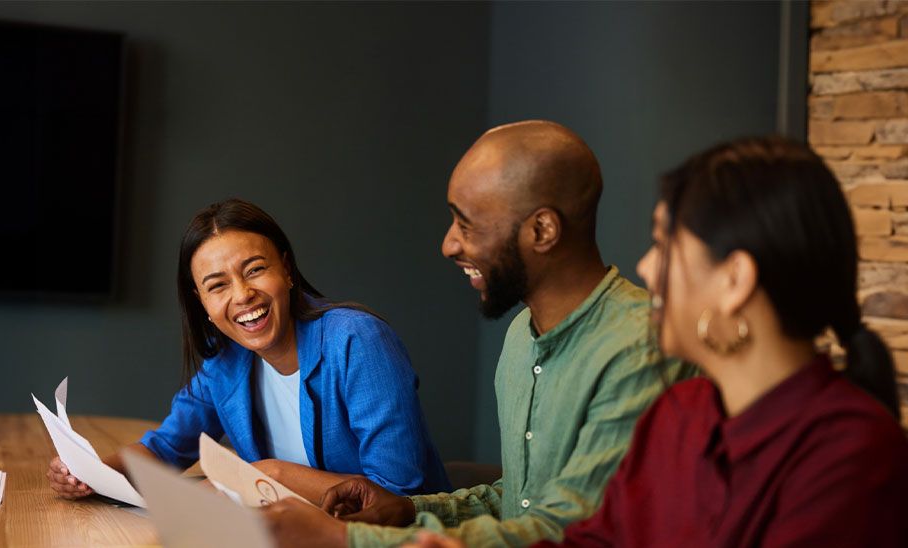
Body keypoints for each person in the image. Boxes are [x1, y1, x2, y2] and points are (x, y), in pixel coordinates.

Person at [406, 136, 908, 547]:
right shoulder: (681, 414)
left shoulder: (850, 454)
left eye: (666, 246)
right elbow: (596, 541)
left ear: (734, 281)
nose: (646, 267)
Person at [262, 121, 691, 547]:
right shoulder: (522, 334)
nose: (449, 245)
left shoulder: (641, 349)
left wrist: (346, 538)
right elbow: (525, 500)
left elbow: (567, 529)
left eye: (466, 225)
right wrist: (409, 509)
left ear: (542, 231)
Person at [46, 198, 451, 503]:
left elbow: (398, 495)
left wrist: (269, 474)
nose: (242, 295)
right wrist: (91, 473)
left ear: (287, 271)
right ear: (201, 301)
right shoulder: (226, 363)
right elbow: (166, 448)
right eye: (217, 285)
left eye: (256, 269)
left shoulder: (356, 340)